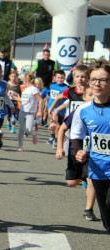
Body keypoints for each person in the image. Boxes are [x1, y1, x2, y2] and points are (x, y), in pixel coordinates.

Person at [71, 58, 110, 232]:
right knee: (107, 219)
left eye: (102, 80)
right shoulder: (83, 110)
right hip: (98, 170)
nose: (97, 84)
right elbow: (76, 135)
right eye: (94, 79)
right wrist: (78, 151)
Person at [56, 85, 97, 221]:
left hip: (92, 153)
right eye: (89, 95)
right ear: (83, 97)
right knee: (72, 182)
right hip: (75, 151)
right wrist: (59, 148)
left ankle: (88, 209)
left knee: (92, 178)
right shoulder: (78, 112)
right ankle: (83, 179)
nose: (93, 98)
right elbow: (62, 130)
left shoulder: (101, 112)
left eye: (94, 95)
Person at [9, 73, 43, 151]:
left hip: (30, 113)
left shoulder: (34, 89)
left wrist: (40, 111)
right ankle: (20, 145)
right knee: (21, 129)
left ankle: (34, 135)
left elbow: (40, 100)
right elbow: (23, 100)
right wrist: (14, 97)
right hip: (22, 111)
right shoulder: (25, 89)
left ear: (25, 80)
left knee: (28, 130)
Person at [46, 70, 68, 148]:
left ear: (64, 78)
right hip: (51, 108)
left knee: (58, 126)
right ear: (54, 78)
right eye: (58, 78)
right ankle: (54, 137)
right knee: (55, 124)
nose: (60, 79)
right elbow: (45, 93)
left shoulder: (66, 88)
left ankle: (55, 137)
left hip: (61, 110)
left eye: (62, 78)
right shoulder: (51, 86)